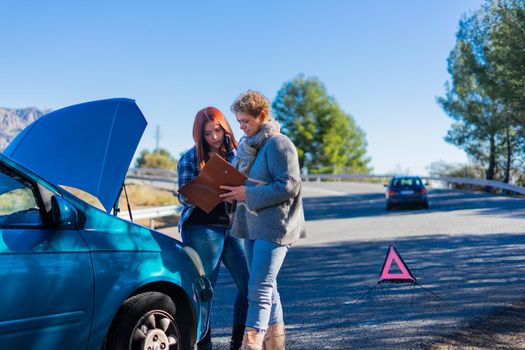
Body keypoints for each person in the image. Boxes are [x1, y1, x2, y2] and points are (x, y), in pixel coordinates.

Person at [220, 90, 306, 350]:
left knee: (259, 287)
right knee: (270, 288)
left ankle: (251, 344)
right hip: (250, 225)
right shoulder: (246, 149)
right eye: (238, 122)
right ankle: (275, 346)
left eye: (245, 121)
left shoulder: (280, 144)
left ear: (263, 116)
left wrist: (248, 193)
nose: (241, 127)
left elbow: (290, 185)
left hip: (275, 226)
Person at [178, 106, 250, 350]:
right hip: (202, 228)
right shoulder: (189, 158)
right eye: (208, 133)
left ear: (225, 128)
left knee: (249, 284)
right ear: (200, 135)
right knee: (205, 290)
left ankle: (237, 343)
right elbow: (184, 198)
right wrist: (206, 190)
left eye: (218, 130)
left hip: (232, 227)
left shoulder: (238, 153)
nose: (214, 137)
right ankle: (204, 344)